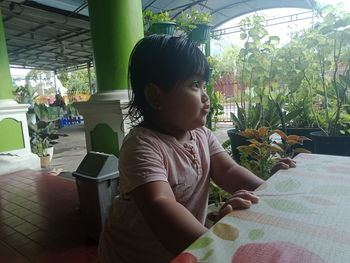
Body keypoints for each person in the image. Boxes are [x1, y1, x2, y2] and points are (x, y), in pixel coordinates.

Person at [98, 35, 296, 263]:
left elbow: (228, 172)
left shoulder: (202, 135)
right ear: (156, 96)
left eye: (204, 85)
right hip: (132, 256)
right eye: (194, 84)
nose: (205, 95)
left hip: (180, 251)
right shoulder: (142, 146)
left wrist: (270, 192)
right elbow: (160, 204)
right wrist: (214, 248)